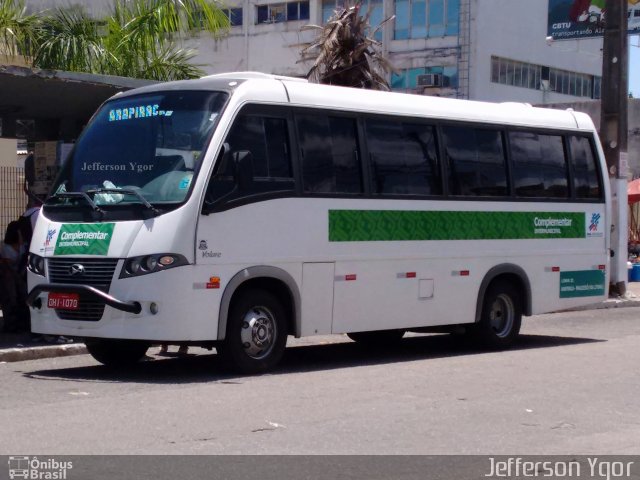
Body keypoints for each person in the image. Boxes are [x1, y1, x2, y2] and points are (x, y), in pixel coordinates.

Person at [0, 221, 29, 332]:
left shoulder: (23, 246)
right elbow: (8, 267)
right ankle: (10, 325)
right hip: (8, 277)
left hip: (19, 275)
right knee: (10, 299)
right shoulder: (6, 248)